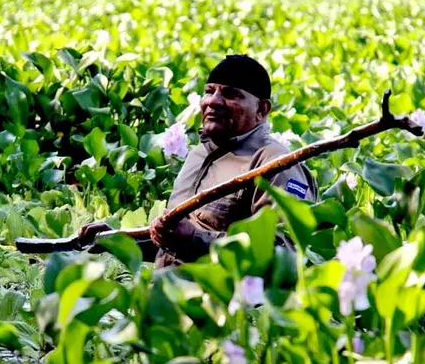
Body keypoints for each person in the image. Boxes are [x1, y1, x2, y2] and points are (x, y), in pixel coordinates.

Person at [78, 54, 318, 269]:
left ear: (262, 109)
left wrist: (193, 238)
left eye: (230, 94)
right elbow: (172, 247)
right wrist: (119, 240)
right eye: (209, 91)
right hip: (168, 305)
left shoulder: (276, 164)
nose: (213, 101)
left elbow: (285, 254)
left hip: (228, 313)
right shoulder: (198, 155)